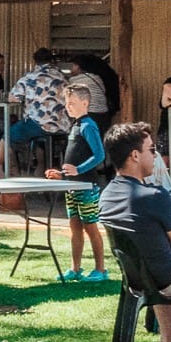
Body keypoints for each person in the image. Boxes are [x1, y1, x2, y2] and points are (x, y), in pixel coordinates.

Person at [99, 123, 171, 342]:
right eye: (151, 150)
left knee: (165, 262)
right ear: (135, 155)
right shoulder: (155, 196)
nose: (155, 156)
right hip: (168, 279)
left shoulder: (107, 195)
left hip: (138, 279)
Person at [47, 82, 109, 282]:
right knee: (74, 226)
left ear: (85, 103)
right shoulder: (76, 125)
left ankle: (100, 269)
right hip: (72, 186)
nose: (68, 106)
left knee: (90, 226)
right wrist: (63, 174)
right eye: (67, 102)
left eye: (72, 102)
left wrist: (79, 170)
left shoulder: (89, 125)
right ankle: (75, 268)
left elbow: (99, 154)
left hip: (86, 186)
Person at [0, 48, 70, 177]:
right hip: (63, 126)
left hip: (38, 124)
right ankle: (41, 173)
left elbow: (14, 98)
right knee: (41, 142)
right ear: (51, 61)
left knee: (7, 136)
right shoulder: (62, 77)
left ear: (35, 61)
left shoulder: (30, 77)